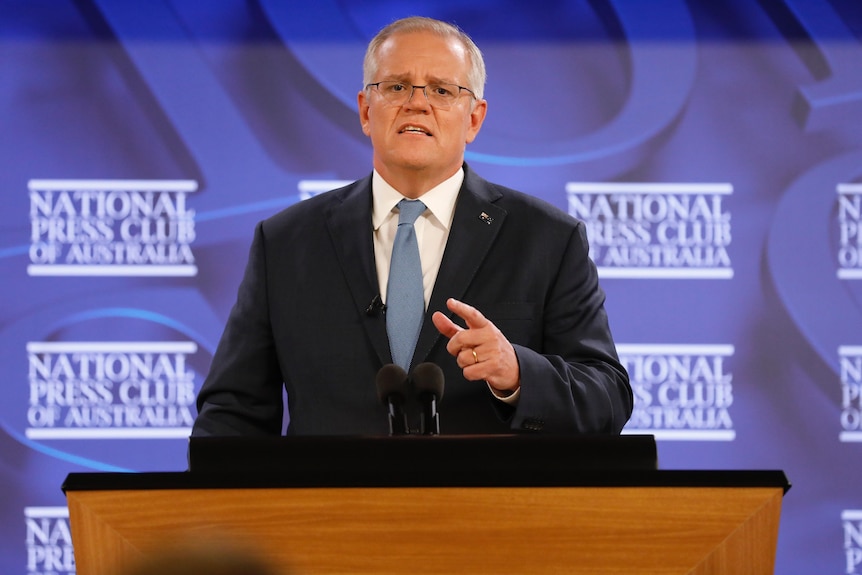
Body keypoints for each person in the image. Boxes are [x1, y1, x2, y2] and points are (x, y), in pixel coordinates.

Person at [192, 16, 631, 437]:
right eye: (397, 86)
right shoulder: (286, 242)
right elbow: (232, 413)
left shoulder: (547, 239)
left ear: (474, 119)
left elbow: (607, 398)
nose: (416, 102)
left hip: (487, 509)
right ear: (366, 111)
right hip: (332, 510)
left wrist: (518, 373)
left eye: (441, 90)